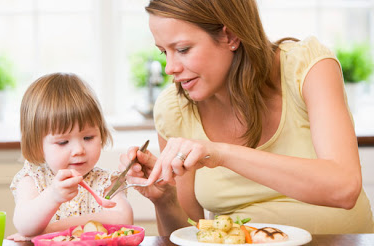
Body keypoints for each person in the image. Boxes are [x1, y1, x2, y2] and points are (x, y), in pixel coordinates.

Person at [119, 0, 374, 236]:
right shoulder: (175, 109)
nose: (170, 68)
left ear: (230, 36)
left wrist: (219, 153)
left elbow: (344, 188)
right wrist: (165, 199)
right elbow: (192, 233)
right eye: (164, 52)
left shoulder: (307, 67)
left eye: (183, 49)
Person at [8, 73, 133, 241]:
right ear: (38, 145)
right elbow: (24, 225)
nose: (78, 150)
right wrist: (53, 196)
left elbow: (124, 219)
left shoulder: (105, 182)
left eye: (88, 138)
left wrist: (50, 230)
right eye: (63, 142)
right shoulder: (33, 180)